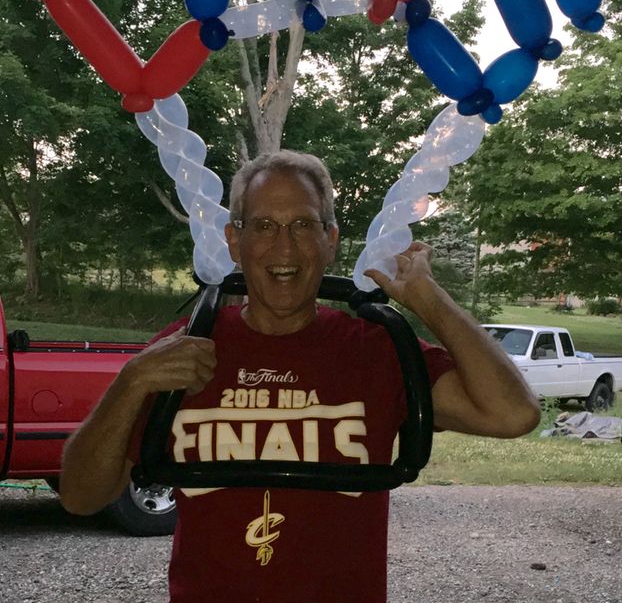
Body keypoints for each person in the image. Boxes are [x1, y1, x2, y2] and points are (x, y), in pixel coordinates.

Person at [60, 150, 540, 603]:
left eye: (303, 224)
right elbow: (81, 496)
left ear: (330, 240)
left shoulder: (375, 350)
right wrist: (130, 383)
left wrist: (428, 298)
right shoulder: (187, 346)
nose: (284, 245)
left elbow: (512, 414)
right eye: (263, 225)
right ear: (234, 241)